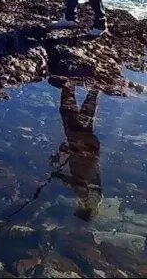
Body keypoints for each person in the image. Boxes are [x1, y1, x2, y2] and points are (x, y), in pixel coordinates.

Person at [51, 85, 103, 221]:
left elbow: (79, 181)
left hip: (86, 148)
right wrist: (60, 176)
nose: (76, 205)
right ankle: (69, 85)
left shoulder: (95, 199)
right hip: (83, 147)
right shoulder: (89, 200)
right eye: (77, 209)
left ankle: (93, 87)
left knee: (85, 115)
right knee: (69, 113)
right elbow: (80, 183)